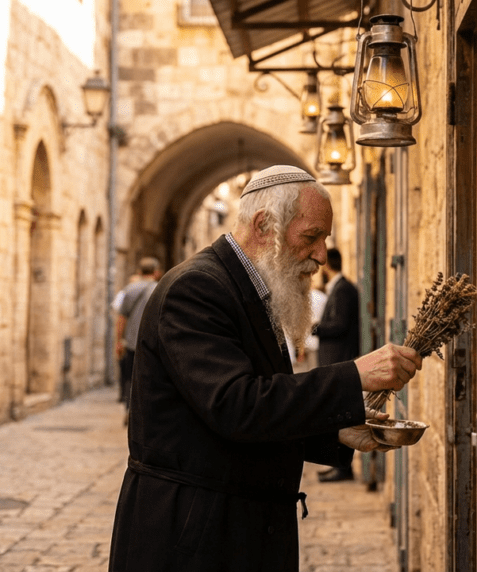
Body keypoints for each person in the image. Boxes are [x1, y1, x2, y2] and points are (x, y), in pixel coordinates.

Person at [108, 165, 422, 572]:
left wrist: (337, 431)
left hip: (234, 527)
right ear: (264, 225)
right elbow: (236, 405)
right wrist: (354, 376)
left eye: (324, 239)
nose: (321, 255)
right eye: (311, 237)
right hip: (192, 535)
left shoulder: (256, 290)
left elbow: (266, 405)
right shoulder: (197, 289)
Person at [313, 247, 362, 483]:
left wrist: (314, 328)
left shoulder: (343, 290)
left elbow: (340, 325)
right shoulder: (339, 288)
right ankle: (337, 465)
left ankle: (343, 468)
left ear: (327, 266)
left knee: (340, 417)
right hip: (336, 360)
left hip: (340, 359)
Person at [115, 257, 161, 412]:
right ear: (156, 272)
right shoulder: (160, 289)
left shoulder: (130, 289)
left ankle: (129, 408)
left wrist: (119, 340)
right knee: (149, 379)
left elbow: (122, 318)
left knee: (129, 377)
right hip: (151, 344)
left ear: (140, 272)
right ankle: (144, 410)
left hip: (131, 342)